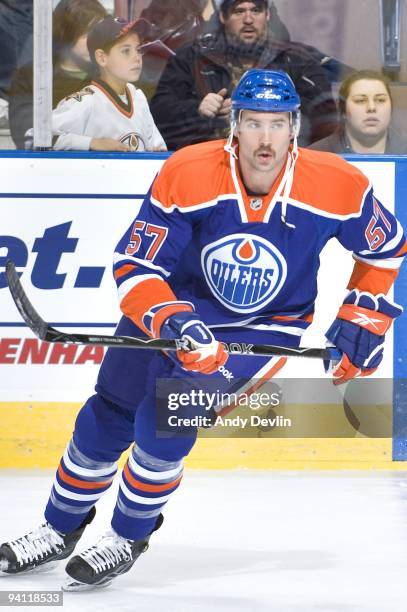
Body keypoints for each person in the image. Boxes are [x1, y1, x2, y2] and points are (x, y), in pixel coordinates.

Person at [0, 69, 405, 591]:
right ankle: (58, 528)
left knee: (163, 420)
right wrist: (175, 320)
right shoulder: (188, 171)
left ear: (294, 128)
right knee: (108, 412)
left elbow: (385, 249)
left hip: (264, 326)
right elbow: (135, 267)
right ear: (234, 125)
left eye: (277, 124)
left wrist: (362, 314)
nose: (265, 138)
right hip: (176, 309)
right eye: (253, 123)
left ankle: (127, 535)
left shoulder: (337, 184)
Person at [149, 0, 338, 150]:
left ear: (268, 15)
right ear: (223, 16)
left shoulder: (298, 59)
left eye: (256, 10)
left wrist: (271, 107)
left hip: (280, 163)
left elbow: (326, 117)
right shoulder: (191, 56)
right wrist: (197, 109)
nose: (248, 19)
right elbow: (158, 114)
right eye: (239, 11)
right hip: (210, 164)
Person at [25, 17, 166, 152]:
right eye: (126, 51)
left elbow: (157, 147)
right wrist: (92, 142)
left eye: (139, 49)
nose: (137, 58)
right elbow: (34, 138)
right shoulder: (87, 101)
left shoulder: (138, 97)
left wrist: (155, 151)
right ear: (102, 58)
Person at [8, 0, 107, 149]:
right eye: (88, 33)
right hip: (46, 167)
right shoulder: (32, 77)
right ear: (66, 34)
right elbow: (27, 135)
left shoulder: (111, 76)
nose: (96, 40)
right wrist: (88, 143)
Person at [309, 70, 407, 155]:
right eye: (360, 101)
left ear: (391, 106)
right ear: (343, 108)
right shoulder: (315, 157)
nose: (371, 108)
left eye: (380, 100)